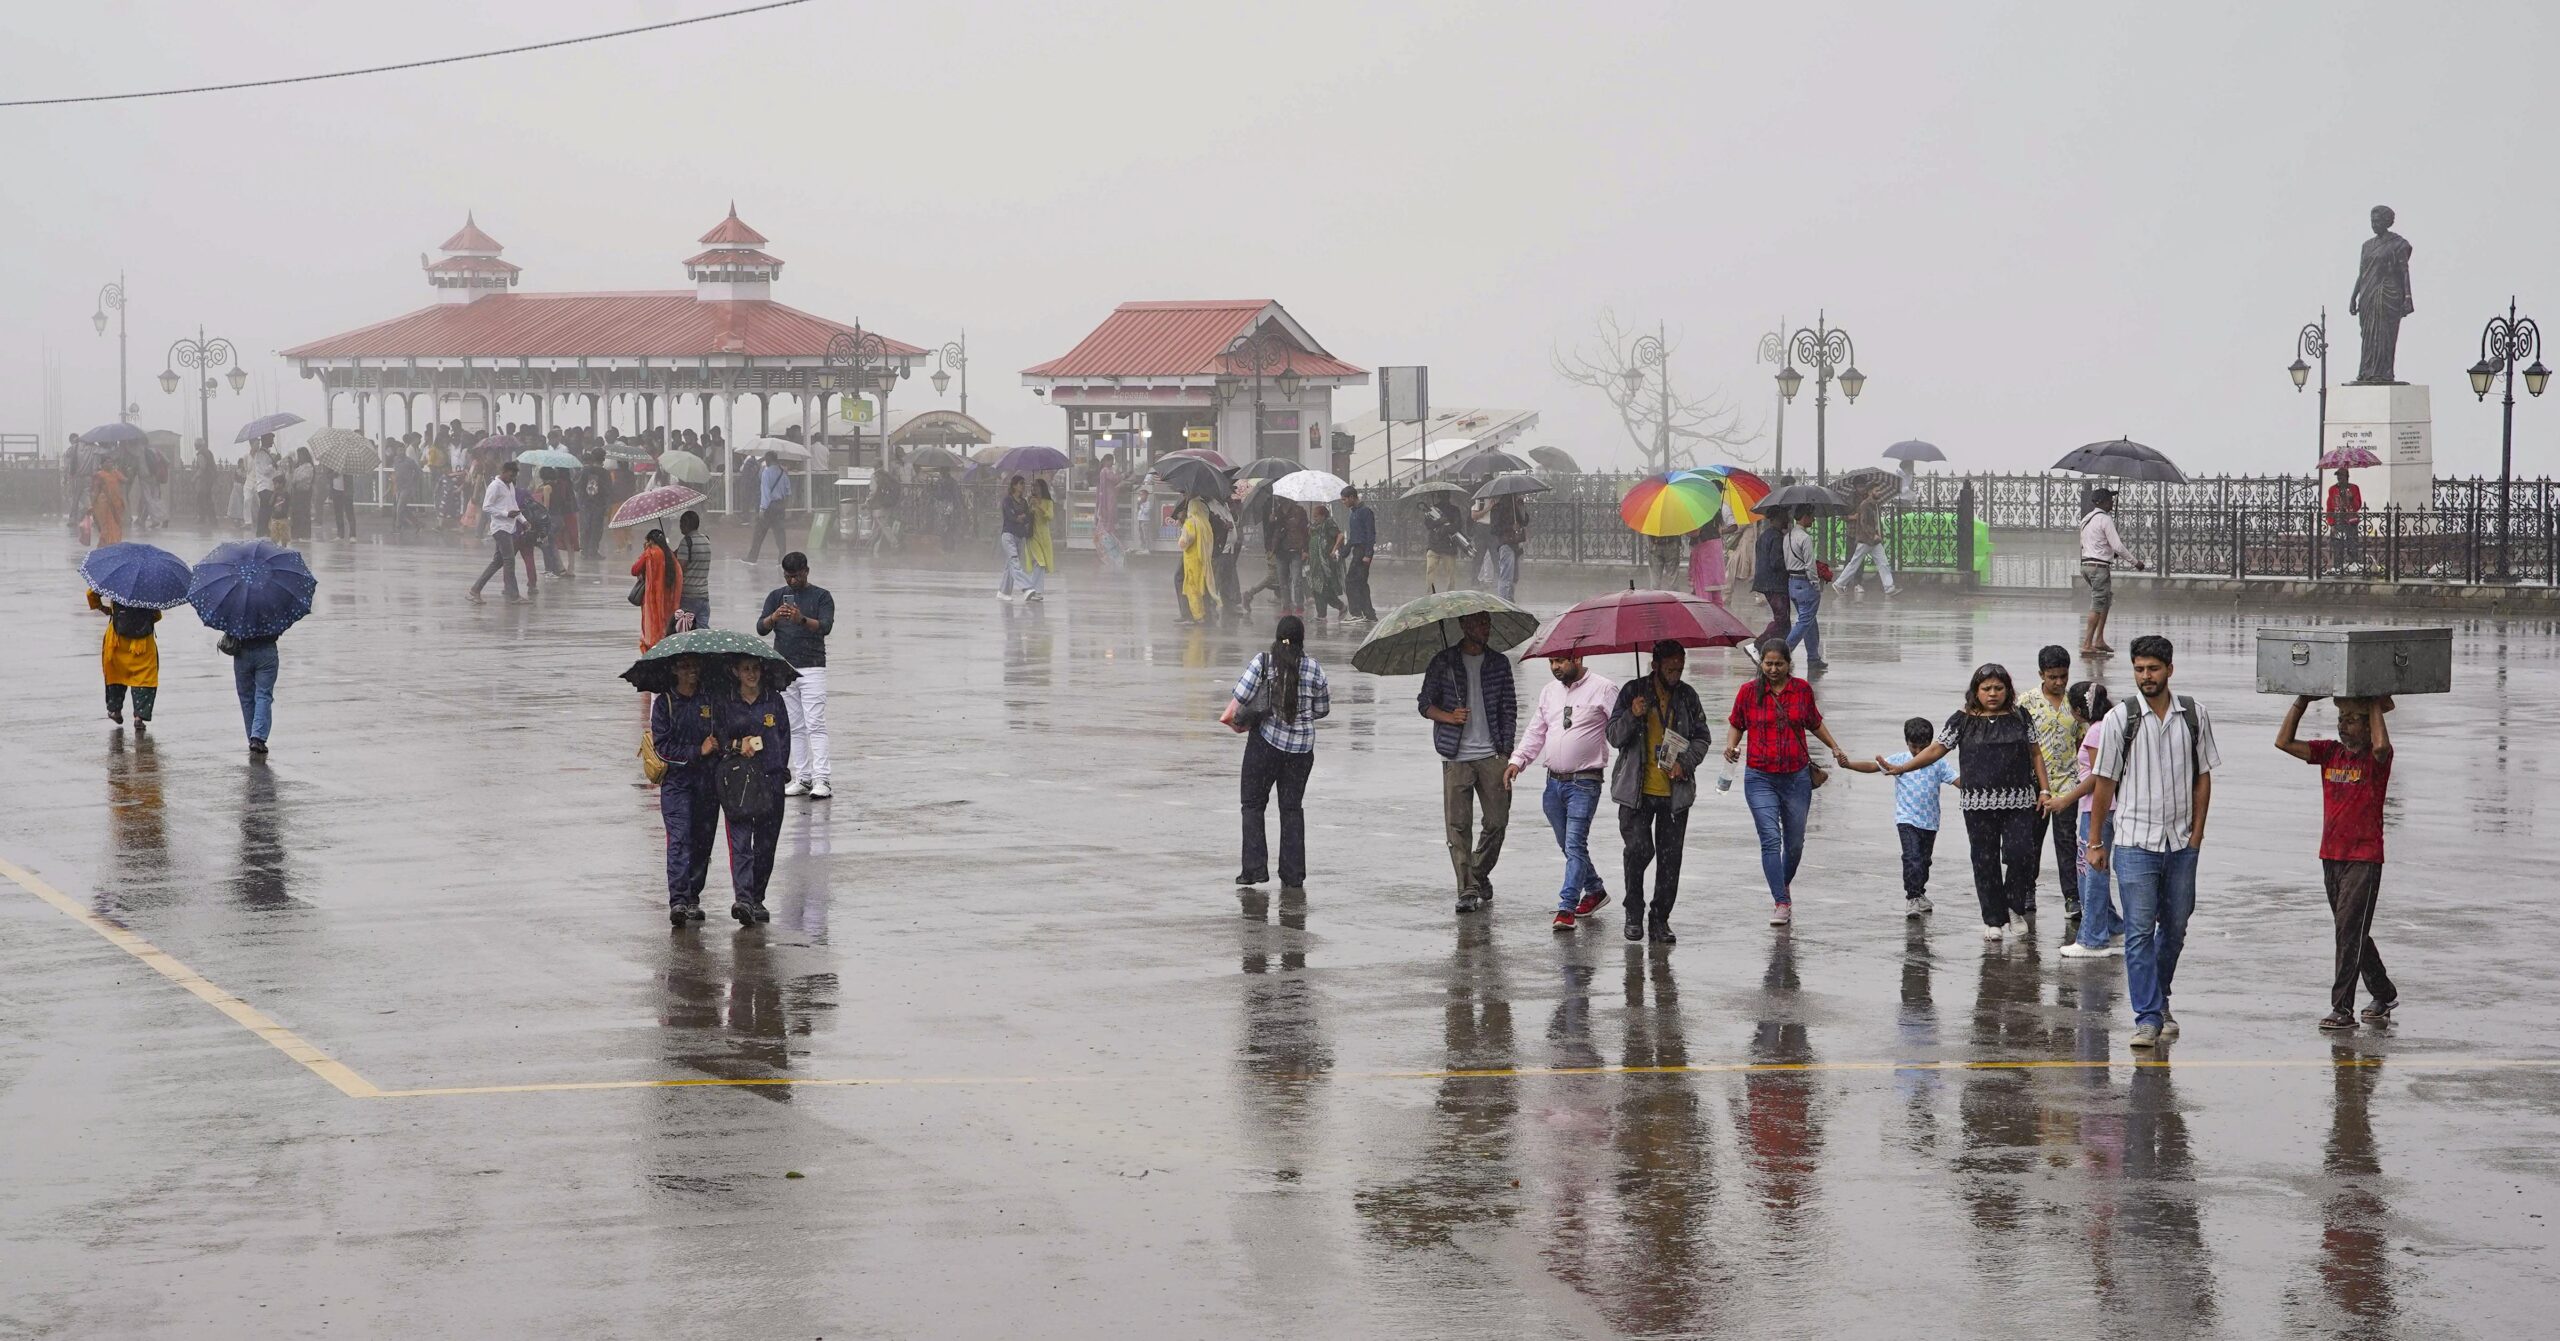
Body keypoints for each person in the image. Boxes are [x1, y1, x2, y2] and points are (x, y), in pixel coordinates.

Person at [2086, 634, 2221, 1049]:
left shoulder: (2194, 716)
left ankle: (2159, 1000)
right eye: (2140, 669)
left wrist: (2196, 836)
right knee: (2140, 931)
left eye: (2153, 669)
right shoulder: (2119, 720)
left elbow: (2203, 777)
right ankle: (2147, 1017)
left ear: (2169, 670)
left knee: (2175, 927)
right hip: (2133, 843)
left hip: (2181, 844)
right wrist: (2094, 842)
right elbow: (2103, 784)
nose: (2146, 676)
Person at [1881, 663, 2054, 942]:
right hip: (1978, 804)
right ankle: (1993, 919)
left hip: (2019, 800)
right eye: (1986, 689)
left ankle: (2014, 909)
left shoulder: (2021, 716)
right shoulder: (1962, 720)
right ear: (1976, 691)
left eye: (1999, 688)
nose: (1993, 693)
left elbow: (2035, 753)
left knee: (2022, 854)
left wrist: (2044, 791)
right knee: (1984, 860)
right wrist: (1904, 768)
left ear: (2008, 690)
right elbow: (1937, 749)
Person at [2276, 693, 2398, 1031]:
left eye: (2351, 719)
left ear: (2367, 723)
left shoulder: (2378, 759)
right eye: (2341, 718)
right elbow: (2282, 741)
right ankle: (2384, 992)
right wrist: (2302, 700)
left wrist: (2374, 701)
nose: (2342, 725)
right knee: (2352, 931)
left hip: (2364, 858)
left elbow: (2381, 746)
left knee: (2348, 933)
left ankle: (2341, 1008)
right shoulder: (2330, 752)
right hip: (2331, 855)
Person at [1725, 638, 1855, 926]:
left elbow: (1814, 721)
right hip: (1760, 777)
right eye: (1768, 664)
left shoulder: (1801, 691)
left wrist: (1834, 746)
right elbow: (1737, 723)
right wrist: (1732, 746)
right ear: (1761, 664)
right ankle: (1781, 901)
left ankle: (1781, 884)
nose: (1773, 669)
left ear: (1788, 664)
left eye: (1778, 664)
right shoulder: (1748, 692)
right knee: (1770, 838)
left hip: (1796, 777)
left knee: (1794, 844)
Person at [1605, 640, 1711, 943]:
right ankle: (1633, 912)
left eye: (1680, 667)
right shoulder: (1632, 692)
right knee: (1639, 850)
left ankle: (1660, 918)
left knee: (1670, 860)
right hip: (1636, 792)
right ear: (1655, 666)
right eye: (1670, 668)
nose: (1676, 673)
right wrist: (1632, 715)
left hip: (1674, 794)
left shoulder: (1688, 696)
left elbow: (1702, 738)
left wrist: (1685, 763)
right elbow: (1613, 736)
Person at [1505, 649, 1618, 931]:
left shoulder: (1604, 689)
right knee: (1567, 844)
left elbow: (1621, 729)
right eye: (1552, 662)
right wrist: (1517, 761)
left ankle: (1566, 907)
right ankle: (1595, 890)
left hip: (1585, 782)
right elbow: (1536, 731)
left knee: (1575, 844)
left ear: (1577, 659)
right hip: (1553, 783)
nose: (1555, 667)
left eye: (1560, 661)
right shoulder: (1549, 693)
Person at [1418, 613, 1517, 914]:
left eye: (1487, 623)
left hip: (1491, 755)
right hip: (1456, 756)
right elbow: (1424, 703)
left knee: (1497, 821)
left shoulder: (1499, 663)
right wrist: (1450, 716)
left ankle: (1478, 871)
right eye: (1477, 624)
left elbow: (1509, 708)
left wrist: (1506, 752)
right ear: (1463, 626)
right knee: (1458, 827)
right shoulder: (1443, 662)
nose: (1484, 629)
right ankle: (1467, 889)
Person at [1228, 615, 1331, 893]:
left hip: (1265, 745)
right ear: (1302, 640)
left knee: (1252, 805)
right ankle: (1293, 875)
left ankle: (1253, 871)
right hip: (1301, 752)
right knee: (1291, 809)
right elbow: (1322, 709)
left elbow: (1240, 694)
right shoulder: (1314, 669)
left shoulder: (1263, 663)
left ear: (1276, 638)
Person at [1838, 716, 1958, 918]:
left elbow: (1957, 780)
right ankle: (1912, 898)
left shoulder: (1937, 763)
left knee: (1924, 861)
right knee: (1912, 857)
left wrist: (1981, 784)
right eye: (1914, 747)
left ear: (1931, 743)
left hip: (1930, 822)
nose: (1918, 752)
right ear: (1906, 743)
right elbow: (1873, 767)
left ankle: (1920, 893)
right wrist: (1848, 764)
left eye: (1923, 747)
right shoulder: (1900, 760)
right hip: (1906, 820)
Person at [2047, 681, 2123, 960]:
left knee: (2092, 872)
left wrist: (2065, 799)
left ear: (2078, 709)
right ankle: (2114, 925)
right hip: (2104, 808)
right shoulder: (2110, 726)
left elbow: (2097, 777)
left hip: (2097, 809)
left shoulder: (2095, 731)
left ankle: (2093, 938)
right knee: (2091, 869)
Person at [716, 654, 792, 925]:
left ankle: (757, 897)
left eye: (755, 669)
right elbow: (720, 737)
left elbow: (784, 736)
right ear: (736, 671)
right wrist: (738, 746)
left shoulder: (774, 700)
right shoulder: (726, 701)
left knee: (766, 844)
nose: (751, 674)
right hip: (739, 782)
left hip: (770, 780)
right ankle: (744, 899)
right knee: (741, 843)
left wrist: (779, 768)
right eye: (745, 669)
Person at [651, 654, 723, 927]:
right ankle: (678, 899)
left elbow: (721, 734)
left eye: (694, 666)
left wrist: (718, 745)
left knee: (703, 841)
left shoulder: (710, 700)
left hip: (707, 783)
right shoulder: (664, 704)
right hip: (677, 784)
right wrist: (698, 751)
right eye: (685, 666)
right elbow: (663, 748)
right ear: (674, 670)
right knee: (679, 838)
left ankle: (693, 896)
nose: (691, 671)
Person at [760, 552, 836, 799]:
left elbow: (825, 627)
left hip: (812, 666)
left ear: (807, 571)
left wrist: (800, 619)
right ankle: (802, 777)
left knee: (815, 722)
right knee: (794, 725)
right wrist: (773, 617)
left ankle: (822, 778)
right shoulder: (775, 597)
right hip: (784, 668)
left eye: (797, 575)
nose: (792, 581)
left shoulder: (821, 596)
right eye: (788, 576)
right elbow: (760, 628)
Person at [2022, 644, 2084, 916]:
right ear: (2041, 674)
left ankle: (2072, 896)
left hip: (2068, 785)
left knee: (2066, 842)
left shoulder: (2076, 703)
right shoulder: (2026, 702)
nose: (2059, 682)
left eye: (2063, 676)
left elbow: (2083, 740)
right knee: (2031, 841)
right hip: (2035, 786)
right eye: (2052, 677)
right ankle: (2027, 889)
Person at [2078, 488, 2143, 655]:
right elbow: (2118, 546)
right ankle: (2087, 643)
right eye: (2109, 499)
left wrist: (2107, 552)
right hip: (2099, 568)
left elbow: (2091, 543)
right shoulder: (2105, 519)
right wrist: (2135, 562)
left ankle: (2099, 640)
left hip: (2086, 565)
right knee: (2098, 603)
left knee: (2105, 600)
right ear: (2103, 502)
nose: (2112, 502)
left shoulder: (2086, 519)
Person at [87, 589, 161, 729]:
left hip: (117, 641)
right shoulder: (150, 586)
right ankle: (139, 717)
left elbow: (91, 594)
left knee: (116, 674)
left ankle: (115, 710)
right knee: (144, 678)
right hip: (143, 643)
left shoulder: (114, 581)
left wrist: (103, 608)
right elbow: (157, 616)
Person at [467, 461, 526, 603]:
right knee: (509, 561)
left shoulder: (510, 485)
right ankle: (513, 595)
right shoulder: (495, 486)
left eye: (515, 475)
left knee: (497, 562)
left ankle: (475, 590)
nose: (513, 478)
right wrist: (505, 514)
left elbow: (514, 506)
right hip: (500, 528)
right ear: (504, 471)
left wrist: (523, 521)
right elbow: (486, 507)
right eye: (511, 475)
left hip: (509, 527)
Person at [1781, 506, 1826, 672]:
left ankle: (1813, 657)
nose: (1813, 520)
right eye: (1811, 516)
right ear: (1805, 517)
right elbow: (1810, 564)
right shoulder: (1805, 538)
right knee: (1804, 621)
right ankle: (1782, 653)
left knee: (1809, 620)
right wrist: (1815, 583)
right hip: (1805, 582)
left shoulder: (1788, 536)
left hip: (1792, 582)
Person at [226, 626, 283, 755]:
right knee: (264, 694)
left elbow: (229, 627)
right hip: (267, 651)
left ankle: (252, 737)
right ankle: (258, 737)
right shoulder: (273, 605)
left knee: (246, 697)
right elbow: (281, 626)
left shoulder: (237, 606)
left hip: (242, 652)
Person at [1832, 487, 1897, 596]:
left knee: (1883, 563)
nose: (1879, 492)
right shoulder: (1865, 505)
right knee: (1854, 563)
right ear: (1870, 492)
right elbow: (1863, 523)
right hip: (1865, 539)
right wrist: (1873, 535)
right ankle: (1839, 584)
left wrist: (1879, 534)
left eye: (1880, 490)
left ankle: (1889, 587)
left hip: (1874, 541)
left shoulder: (1874, 505)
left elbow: (1875, 522)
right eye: (1877, 490)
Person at [632, 527, 683, 651]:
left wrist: (645, 551)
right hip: (668, 599)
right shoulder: (669, 554)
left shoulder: (650, 553)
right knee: (666, 626)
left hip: (653, 599)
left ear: (650, 541)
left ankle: (653, 650)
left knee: (653, 627)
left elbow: (634, 570)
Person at [1751, 509, 1792, 647]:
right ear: (1776, 518)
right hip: (1775, 585)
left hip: (1766, 583)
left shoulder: (1765, 535)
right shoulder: (1776, 537)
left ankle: (1777, 648)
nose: (1788, 519)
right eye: (1784, 516)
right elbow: (1776, 562)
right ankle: (1758, 644)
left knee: (1784, 622)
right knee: (1782, 620)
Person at [998, 475, 1040, 601]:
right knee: (1015, 562)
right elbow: (1010, 516)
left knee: (1010, 565)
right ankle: (1027, 588)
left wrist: (1029, 511)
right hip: (1008, 535)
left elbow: (1027, 517)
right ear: (1014, 485)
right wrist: (1018, 518)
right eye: (1021, 483)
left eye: (1024, 483)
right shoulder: (1007, 500)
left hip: (1019, 536)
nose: (1023, 486)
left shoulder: (1024, 502)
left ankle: (1003, 592)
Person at [1339, 486, 1377, 622]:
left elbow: (1370, 534)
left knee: (1351, 581)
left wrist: (1368, 553)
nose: (1343, 502)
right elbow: (1353, 536)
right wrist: (1345, 551)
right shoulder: (1353, 513)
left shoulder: (1365, 512)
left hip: (1362, 551)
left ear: (1352, 497)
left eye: (1344, 500)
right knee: (1361, 583)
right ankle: (1369, 614)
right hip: (1357, 550)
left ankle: (1356, 613)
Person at [746, 452, 792, 563]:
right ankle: (782, 558)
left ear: (768, 460)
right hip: (780, 505)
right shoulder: (783, 473)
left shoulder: (766, 473)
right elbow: (788, 491)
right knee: (780, 533)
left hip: (769, 507)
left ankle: (752, 558)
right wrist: (787, 506)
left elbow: (765, 493)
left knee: (759, 533)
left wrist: (762, 508)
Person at [1304, 502, 1346, 623]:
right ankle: (1321, 615)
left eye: (1316, 516)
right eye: (1313, 516)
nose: (1314, 518)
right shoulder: (1314, 526)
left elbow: (1340, 536)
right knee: (1316, 588)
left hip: (1325, 563)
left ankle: (1340, 607)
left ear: (1323, 515)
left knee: (1324, 589)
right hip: (1314, 562)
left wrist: (1334, 550)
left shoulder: (1329, 524)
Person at [1177, 497, 1216, 624]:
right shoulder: (1205, 523)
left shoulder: (1190, 523)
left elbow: (1184, 542)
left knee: (1191, 588)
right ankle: (1205, 613)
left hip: (1192, 560)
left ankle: (1197, 616)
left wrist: (1181, 531)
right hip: (1204, 559)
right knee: (1202, 587)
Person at [672, 510, 711, 629]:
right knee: (702, 636)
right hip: (704, 596)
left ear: (687, 524)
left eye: (681, 523)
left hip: (688, 597)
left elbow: (679, 569)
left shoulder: (686, 542)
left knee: (684, 633)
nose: (680, 526)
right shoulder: (706, 540)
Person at [1485, 493, 1528, 600]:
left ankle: (1510, 599)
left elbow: (1525, 521)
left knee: (1514, 576)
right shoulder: (1498, 508)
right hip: (1505, 544)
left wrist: (1522, 508)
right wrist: (1510, 527)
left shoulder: (1516, 507)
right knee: (1506, 575)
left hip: (1516, 544)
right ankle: (1504, 600)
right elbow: (1494, 529)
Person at [1272, 497, 1310, 617]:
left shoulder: (1299, 511)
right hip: (1280, 550)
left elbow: (1305, 531)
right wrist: (1271, 521)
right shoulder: (1276, 512)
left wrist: (1305, 549)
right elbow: (1272, 531)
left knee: (1297, 579)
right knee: (1283, 582)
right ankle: (1286, 607)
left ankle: (1299, 606)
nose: (1280, 500)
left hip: (1296, 550)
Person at [1420, 497, 1468, 592]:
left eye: (1445, 494)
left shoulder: (1454, 510)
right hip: (1434, 544)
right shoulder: (1432, 510)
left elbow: (1457, 526)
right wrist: (1439, 521)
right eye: (1442, 494)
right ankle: (1430, 592)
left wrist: (1446, 527)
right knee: (1430, 569)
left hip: (1448, 546)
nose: (1443, 496)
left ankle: (1450, 593)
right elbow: (1428, 525)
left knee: (1450, 573)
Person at [2325, 468, 2365, 567]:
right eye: (2338, 476)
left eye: (2341, 476)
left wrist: (2350, 499)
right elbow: (2330, 507)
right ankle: (2338, 568)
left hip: (2351, 522)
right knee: (2338, 547)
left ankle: (2353, 567)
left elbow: (2358, 505)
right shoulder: (2333, 489)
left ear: (2346, 477)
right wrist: (2331, 523)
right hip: (2338, 522)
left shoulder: (2354, 488)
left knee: (2352, 546)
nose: (2339, 478)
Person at [1027, 477, 1058, 593]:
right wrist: (1030, 505)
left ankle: (1035, 589)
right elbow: (1025, 515)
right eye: (1033, 486)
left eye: (1036, 486)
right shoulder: (1029, 500)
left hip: (1044, 537)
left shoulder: (1048, 502)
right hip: (1032, 536)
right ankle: (1034, 589)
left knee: (1042, 564)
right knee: (1039, 561)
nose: (1034, 488)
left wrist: (1039, 506)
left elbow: (1050, 516)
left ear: (1041, 488)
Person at [577, 455, 610, 558]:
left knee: (585, 527)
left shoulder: (585, 471)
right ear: (603, 459)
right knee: (596, 528)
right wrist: (607, 505)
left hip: (585, 504)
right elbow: (608, 490)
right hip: (599, 505)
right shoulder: (605, 473)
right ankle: (593, 551)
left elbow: (578, 486)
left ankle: (584, 551)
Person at [88, 459, 127, 547]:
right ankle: (105, 542)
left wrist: (127, 470)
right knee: (106, 524)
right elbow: (96, 490)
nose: (110, 464)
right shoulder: (99, 475)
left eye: (111, 462)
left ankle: (114, 542)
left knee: (117, 524)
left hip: (116, 503)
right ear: (101, 464)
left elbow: (125, 481)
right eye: (107, 462)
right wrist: (91, 504)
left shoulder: (115, 473)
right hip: (104, 503)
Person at [1687, 523, 1727, 603]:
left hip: (1705, 551)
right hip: (1716, 548)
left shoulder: (1698, 516)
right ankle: (1718, 613)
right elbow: (1719, 530)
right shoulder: (1714, 512)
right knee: (1715, 589)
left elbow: (1695, 533)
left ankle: (1705, 613)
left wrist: (1684, 532)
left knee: (1703, 588)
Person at [286, 448, 315, 542]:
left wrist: (295, 478)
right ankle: (295, 534)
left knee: (304, 513)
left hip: (305, 492)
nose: (300, 457)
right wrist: (291, 469)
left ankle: (305, 534)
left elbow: (304, 477)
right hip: (297, 492)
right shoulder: (298, 467)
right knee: (295, 513)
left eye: (301, 455)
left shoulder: (309, 466)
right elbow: (290, 478)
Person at [327, 461, 356, 540]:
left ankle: (352, 535)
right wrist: (334, 474)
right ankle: (340, 534)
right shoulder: (332, 464)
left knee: (349, 513)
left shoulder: (349, 464)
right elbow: (328, 475)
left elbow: (351, 475)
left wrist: (344, 471)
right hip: (336, 490)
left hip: (347, 491)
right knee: (338, 513)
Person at [192, 441, 218, 527]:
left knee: (202, 498)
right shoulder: (208, 452)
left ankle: (203, 518)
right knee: (207, 498)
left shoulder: (200, 454)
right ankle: (212, 519)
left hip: (204, 480)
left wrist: (195, 477)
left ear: (197, 445)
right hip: (210, 478)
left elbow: (202, 467)